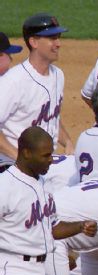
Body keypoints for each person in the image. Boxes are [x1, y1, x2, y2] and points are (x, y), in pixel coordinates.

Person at [0, 127, 96, 275]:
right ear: (26, 153)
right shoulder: (5, 187)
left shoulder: (43, 183)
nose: (51, 160)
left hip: (38, 271)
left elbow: (53, 228)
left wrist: (80, 226)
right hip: (12, 272)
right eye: (45, 155)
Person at [0, 13, 74, 172]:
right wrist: (19, 160)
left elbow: (50, 116)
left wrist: (67, 142)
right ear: (33, 42)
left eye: (58, 37)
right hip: (13, 167)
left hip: (45, 164)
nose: (58, 43)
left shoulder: (58, 75)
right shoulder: (12, 82)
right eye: (52, 38)